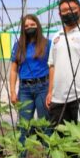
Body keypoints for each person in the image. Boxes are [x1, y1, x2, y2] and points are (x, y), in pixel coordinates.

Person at [9, 14, 51, 144]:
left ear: (38, 26)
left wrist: (51, 91)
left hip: (43, 87)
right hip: (25, 89)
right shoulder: (18, 46)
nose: (29, 28)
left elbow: (53, 67)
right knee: (24, 125)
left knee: (45, 124)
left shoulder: (47, 44)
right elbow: (13, 69)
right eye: (26, 26)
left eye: (32, 25)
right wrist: (12, 91)